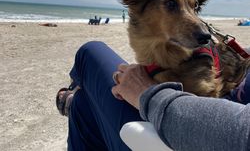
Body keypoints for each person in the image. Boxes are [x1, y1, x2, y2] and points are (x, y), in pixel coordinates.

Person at [56, 41, 250, 151]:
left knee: (89, 52)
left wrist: (148, 95)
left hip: (182, 137)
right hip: (218, 106)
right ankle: (79, 96)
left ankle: (77, 90)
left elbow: (241, 134)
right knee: (83, 106)